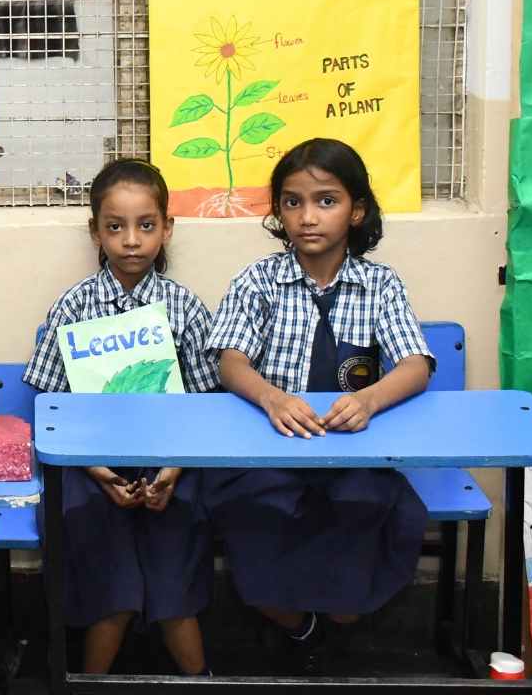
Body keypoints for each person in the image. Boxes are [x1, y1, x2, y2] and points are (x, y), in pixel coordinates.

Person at [204, 139, 434, 674]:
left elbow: (415, 366)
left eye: (326, 201)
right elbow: (230, 362)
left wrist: (369, 400)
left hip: (351, 452)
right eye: (293, 202)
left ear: (356, 210)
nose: (308, 217)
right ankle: (300, 628)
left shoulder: (380, 285)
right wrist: (271, 397)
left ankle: (330, 622)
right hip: (269, 450)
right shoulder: (258, 280)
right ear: (279, 211)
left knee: (371, 510)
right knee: (253, 514)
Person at [23, 159, 218, 677]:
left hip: (170, 463)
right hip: (88, 468)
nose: (131, 240)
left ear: (167, 228)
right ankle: (87, 683)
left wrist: (172, 470)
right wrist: (97, 470)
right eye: (116, 227)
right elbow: (48, 408)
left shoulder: (185, 308)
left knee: (172, 580)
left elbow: (206, 406)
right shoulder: (73, 307)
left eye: (146, 225)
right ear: (96, 231)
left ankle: (201, 679)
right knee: (112, 584)